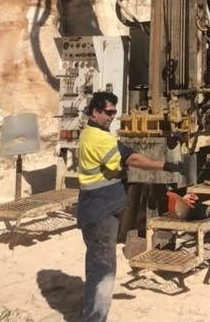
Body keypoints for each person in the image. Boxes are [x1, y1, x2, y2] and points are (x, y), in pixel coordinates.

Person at [76, 90, 191, 322]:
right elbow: (133, 159)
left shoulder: (92, 133)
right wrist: (167, 166)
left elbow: (124, 153)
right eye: (108, 112)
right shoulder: (99, 138)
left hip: (95, 210)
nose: (112, 117)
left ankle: (90, 314)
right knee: (104, 271)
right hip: (100, 213)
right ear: (95, 112)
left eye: (114, 112)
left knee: (96, 266)